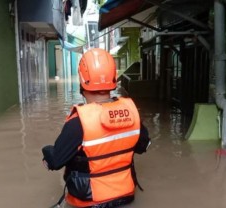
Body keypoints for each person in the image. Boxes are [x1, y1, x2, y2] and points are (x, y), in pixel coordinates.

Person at [42, 48, 151, 208]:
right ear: (113, 77)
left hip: (89, 201)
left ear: (81, 79)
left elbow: (56, 161)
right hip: (126, 197)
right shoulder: (131, 113)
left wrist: (47, 153)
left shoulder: (78, 122)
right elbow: (143, 146)